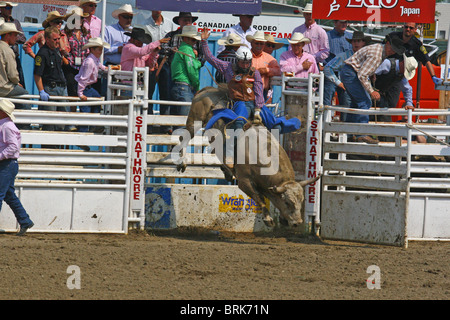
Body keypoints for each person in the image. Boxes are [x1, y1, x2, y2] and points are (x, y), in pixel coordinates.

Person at [340, 34, 405, 144]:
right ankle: (362, 134)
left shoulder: (379, 50)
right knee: (365, 101)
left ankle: (351, 133)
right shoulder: (377, 55)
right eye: (393, 49)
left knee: (357, 103)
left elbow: (363, 71)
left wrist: (371, 73)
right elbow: (362, 75)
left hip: (349, 72)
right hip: (351, 73)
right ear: (388, 44)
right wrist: (371, 91)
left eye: (395, 50)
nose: (393, 52)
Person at [0, 99, 34, 236]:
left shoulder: (6, 126)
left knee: (3, 194)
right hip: (8, 164)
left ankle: (25, 220)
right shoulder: (6, 125)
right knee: (8, 195)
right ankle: (25, 220)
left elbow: (13, 147)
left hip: (6, 164)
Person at [34, 26, 74, 132]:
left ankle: (59, 147)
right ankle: (49, 147)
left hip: (61, 88)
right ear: (47, 40)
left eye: (58, 39)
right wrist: (41, 91)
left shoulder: (57, 51)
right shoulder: (42, 54)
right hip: (50, 89)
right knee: (50, 123)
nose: (57, 41)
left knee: (62, 122)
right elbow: (37, 75)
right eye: (54, 39)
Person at [323, 31, 370, 119]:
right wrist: (339, 83)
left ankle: (358, 132)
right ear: (351, 43)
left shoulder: (367, 56)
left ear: (363, 42)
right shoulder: (344, 56)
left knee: (362, 113)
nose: (356, 43)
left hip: (362, 89)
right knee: (348, 114)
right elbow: (327, 68)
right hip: (348, 90)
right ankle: (347, 132)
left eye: (358, 41)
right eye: (354, 41)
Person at [144, 10, 176, 134]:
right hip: (150, 61)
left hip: (165, 61)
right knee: (149, 93)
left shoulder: (169, 24)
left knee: (165, 93)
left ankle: (165, 125)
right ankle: (149, 124)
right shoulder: (145, 23)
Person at [75, 37, 110, 134]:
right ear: (92, 49)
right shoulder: (90, 62)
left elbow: (101, 66)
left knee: (97, 101)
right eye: (99, 49)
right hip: (85, 87)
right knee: (87, 108)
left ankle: (93, 126)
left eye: (101, 49)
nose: (101, 51)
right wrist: (80, 93)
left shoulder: (94, 59)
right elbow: (83, 78)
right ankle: (84, 130)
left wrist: (108, 68)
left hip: (87, 87)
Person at [170, 25, 202, 116]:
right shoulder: (187, 50)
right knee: (184, 121)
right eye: (193, 40)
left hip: (177, 86)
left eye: (195, 40)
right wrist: (197, 87)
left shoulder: (182, 49)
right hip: (184, 88)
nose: (195, 42)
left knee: (177, 121)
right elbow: (192, 70)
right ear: (186, 39)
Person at [62, 7, 90, 105]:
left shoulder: (86, 33)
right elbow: (59, 48)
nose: (81, 21)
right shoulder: (65, 33)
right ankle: (72, 112)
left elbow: (89, 49)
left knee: (82, 90)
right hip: (70, 66)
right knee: (71, 89)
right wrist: (64, 59)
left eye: (82, 18)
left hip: (83, 66)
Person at [246, 31, 281, 100]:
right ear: (251, 43)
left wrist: (266, 70)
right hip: (246, 89)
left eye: (261, 44)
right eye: (257, 43)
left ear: (264, 45)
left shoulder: (270, 58)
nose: (259, 46)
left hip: (262, 91)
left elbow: (278, 71)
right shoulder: (245, 55)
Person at [0, 2, 26, 87]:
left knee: (20, 83)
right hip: (1, 57)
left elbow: (23, 38)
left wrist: (10, 38)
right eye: (7, 8)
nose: (10, 10)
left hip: (14, 57)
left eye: (11, 8)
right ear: (1, 8)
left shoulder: (15, 22)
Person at [0, 22, 29, 98]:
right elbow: (12, 75)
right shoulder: (8, 50)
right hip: (4, 88)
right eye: (15, 35)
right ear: (7, 35)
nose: (16, 38)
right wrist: (17, 82)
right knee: (25, 95)